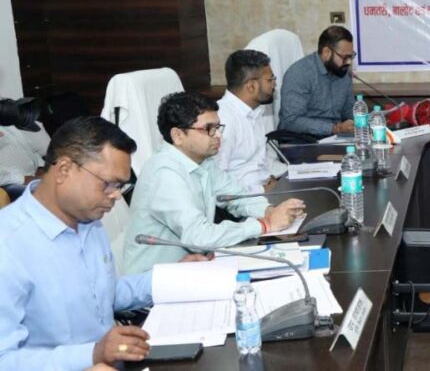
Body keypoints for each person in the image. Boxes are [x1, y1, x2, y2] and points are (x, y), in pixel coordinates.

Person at [0, 117, 208, 369]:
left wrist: (169, 277)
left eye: (120, 185)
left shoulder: (88, 221)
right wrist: (92, 354)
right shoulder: (8, 245)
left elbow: (104, 294)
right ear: (64, 169)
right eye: (109, 184)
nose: (116, 196)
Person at [122, 92, 304, 274]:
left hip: (192, 268)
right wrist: (265, 224)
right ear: (178, 135)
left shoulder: (203, 162)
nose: (218, 135)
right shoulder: (164, 174)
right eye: (208, 128)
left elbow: (238, 197)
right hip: (152, 283)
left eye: (218, 127)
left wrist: (269, 211)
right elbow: (199, 236)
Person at [278, 25, 356, 137]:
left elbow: (348, 108)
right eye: (345, 57)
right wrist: (335, 128)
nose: (348, 62)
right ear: (326, 52)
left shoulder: (342, 72)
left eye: (351, 56)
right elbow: (291, 121)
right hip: (302, 139)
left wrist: (364, 120)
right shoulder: (300, 73)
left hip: (334, 138)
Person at [217, 49, 277, 192]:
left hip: (265, 188)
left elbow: (258, 164)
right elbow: (218, 183)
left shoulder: (254, 110)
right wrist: (263, 190)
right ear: (251, 86)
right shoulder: (223, 120)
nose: (274, 85)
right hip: (246, 199)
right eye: (270, 80)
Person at [0, 97, 50, 200]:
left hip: (32, 176)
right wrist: (24, 179)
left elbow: (31, 148)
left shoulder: (7, 121)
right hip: (10, 184)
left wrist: (40, 167)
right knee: (49, 192)